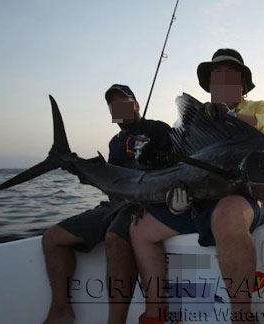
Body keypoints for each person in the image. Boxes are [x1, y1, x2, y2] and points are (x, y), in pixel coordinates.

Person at [130, 48, 264, 324]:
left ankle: (242, 317)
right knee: (140, 229)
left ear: (243, 84)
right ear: (210, 85)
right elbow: (181, 160)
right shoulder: (197, 120)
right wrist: (178, 198)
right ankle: (156, 312)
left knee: (227, 216)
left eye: (231, 74)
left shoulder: (261, 108)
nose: (223, 80)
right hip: (202, 195)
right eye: (217, 75)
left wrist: (230, 118)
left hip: (253, 192)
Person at [42, 84, 173, 324]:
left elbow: (175, 167)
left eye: (124, 102)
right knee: (53, 238)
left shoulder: (158, 129)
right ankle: (61, 310)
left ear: (136, 104)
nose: (119, 108)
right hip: (114, 205)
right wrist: (82, 171)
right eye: (113, 106)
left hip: (144, 204)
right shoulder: (114, 142)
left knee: (115, 239)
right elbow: (111, 183)